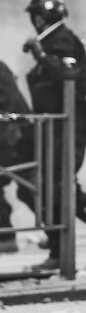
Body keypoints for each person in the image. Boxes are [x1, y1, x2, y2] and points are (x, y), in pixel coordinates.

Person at [22, 0, 86, 270]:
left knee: (59, 186)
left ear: (41, 18)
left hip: (71, 130)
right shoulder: (53, 40)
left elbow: (69, 75)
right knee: (46, 187)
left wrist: (41, 55)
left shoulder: (62, 40)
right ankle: (58, 249)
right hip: (53, 132)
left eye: (36, 16)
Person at [0, 60, 34, 254]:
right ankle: (5, 237)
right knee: (30, 190)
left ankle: (60, 237)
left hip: (16, 138)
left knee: (31, 190)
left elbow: (9, 104)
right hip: (14, 136)